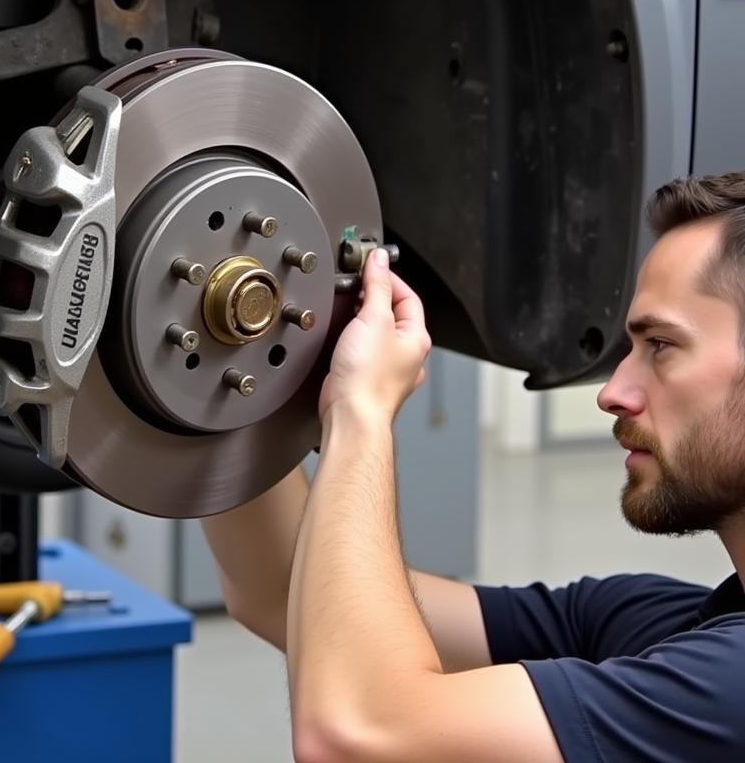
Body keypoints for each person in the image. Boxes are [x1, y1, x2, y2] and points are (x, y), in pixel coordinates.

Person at [202, 172, 745, 763]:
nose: (613, 391)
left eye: (661, 345)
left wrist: (360, 414)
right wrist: (235, 366)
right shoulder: (651, 625)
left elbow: (356, 733)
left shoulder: (725, 690)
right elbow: (281, 588)